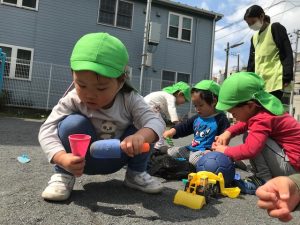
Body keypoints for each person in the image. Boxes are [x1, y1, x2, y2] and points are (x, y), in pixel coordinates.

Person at [38, 32, 165, 201]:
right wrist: (61, 158)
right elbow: (47, 129)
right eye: (81, 85)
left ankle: (136, 174)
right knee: (72, 124)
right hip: (79, 162)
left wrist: (140, 136)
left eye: (101, 88)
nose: (90, 95)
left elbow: (156, 121)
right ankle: (63, 175)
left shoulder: (130, 99)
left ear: (121, 81)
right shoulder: (72, 99)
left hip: (117, 156)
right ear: (72, 75)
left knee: (145, 128)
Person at [213, 72, 300, 194]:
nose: (234, 117)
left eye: (233, 113)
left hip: (292, 169)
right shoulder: (264, 108)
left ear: (249, 106)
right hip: (293, 164)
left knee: (250, 138)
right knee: (254, 136)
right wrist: (228, 132)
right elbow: (246, 122)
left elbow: (250, 150)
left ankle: (263, 179)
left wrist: (225, 150)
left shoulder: (261, 118)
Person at [163, 80, 230, 166]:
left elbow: (224, 139)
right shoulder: (197, 118)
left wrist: (215, 151)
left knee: (195, 160)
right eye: (195, 105)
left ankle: (227, 159)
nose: (197, 109)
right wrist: (172, 131)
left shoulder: (221, 119)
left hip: (207, 152)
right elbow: (184, 126)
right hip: (192, 149)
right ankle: (169, 152)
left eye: (201, 105)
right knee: (173, 152)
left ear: (214, 101)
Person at [244, 5, 294, 100]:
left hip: (276, 81)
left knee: (272, 112)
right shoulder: (254, 38)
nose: (251, 25)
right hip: (259, 84)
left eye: (253, 22)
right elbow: (251, 63)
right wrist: (248, 82)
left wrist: (287, 76)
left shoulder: (275, 28)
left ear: (261, 16)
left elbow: (286, 52)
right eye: (248, 24)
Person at [144, 81, 191, 150]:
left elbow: (167, 111)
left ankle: (153, 143)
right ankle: (158, 147)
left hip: (146, 108)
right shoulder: (171, 97)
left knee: (154, 125)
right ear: (180, 94)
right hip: (149, 108)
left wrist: (175, 119)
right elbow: (171, 109)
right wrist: (176, 122)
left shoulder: (166, 96)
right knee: (161, 125)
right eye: (185, 100)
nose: (183, 103)